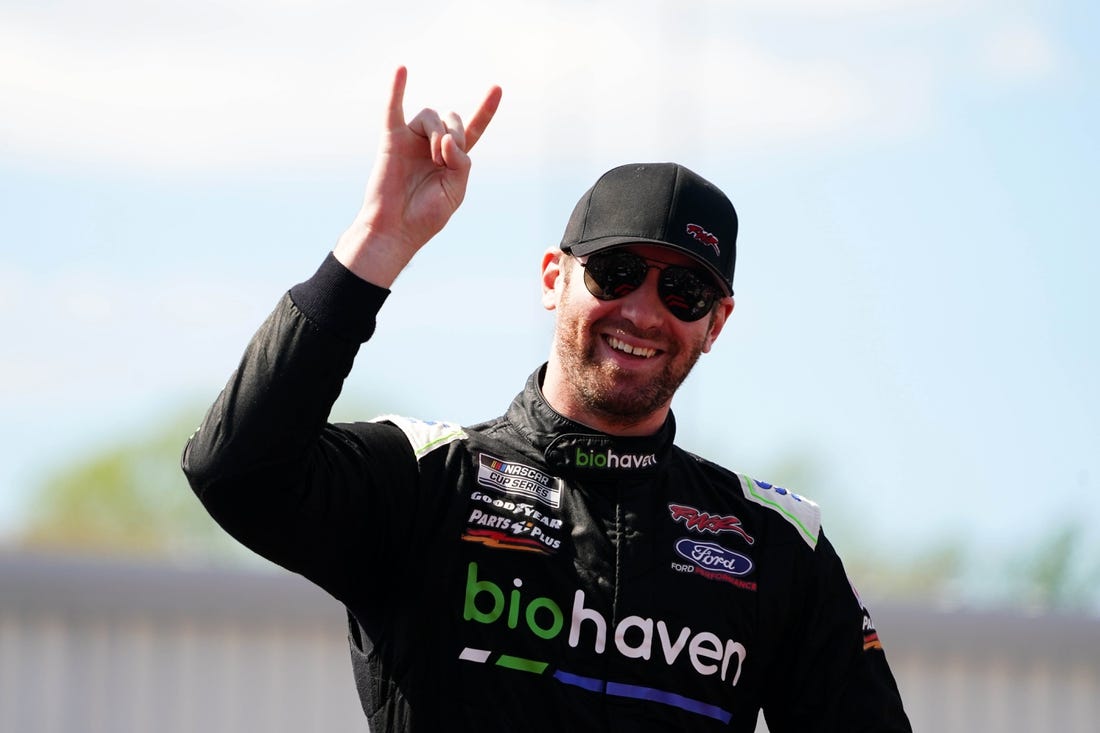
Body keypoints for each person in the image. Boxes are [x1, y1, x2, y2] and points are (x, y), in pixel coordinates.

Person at [182, 66, 911, 732]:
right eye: (616, 271)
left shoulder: (775, 543)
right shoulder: (429, 480)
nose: (644, 312)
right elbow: (235, 472)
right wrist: (376, 242)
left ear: (715, 323)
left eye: (684, 291)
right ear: (551, 279)